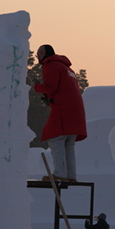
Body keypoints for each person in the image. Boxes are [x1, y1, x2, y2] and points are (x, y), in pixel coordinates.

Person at [33, 44, 87, 182]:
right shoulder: (68, 69)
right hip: (76, 111)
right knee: (69, 143)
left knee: (55, 138)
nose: (38, 56)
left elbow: (50, 87)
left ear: (46, 54)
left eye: (40, 53)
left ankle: (60, 174)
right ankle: (71, 176)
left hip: (63, 110)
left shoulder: (51, 65)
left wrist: (36, 86)